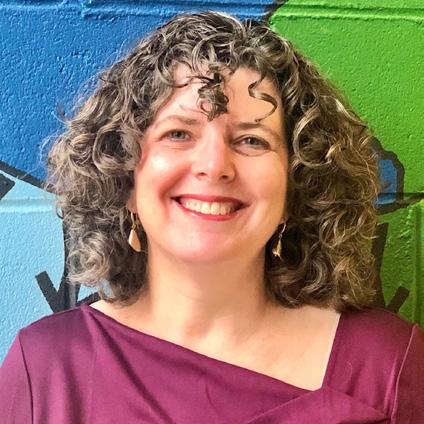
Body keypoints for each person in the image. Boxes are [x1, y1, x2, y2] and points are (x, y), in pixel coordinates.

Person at [1, 10, 423, 424]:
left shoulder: (386, 368)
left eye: (252, 140)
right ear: (124, 177)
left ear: (296, 186)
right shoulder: (46, 370)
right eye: (178, 134)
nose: (214, 165)